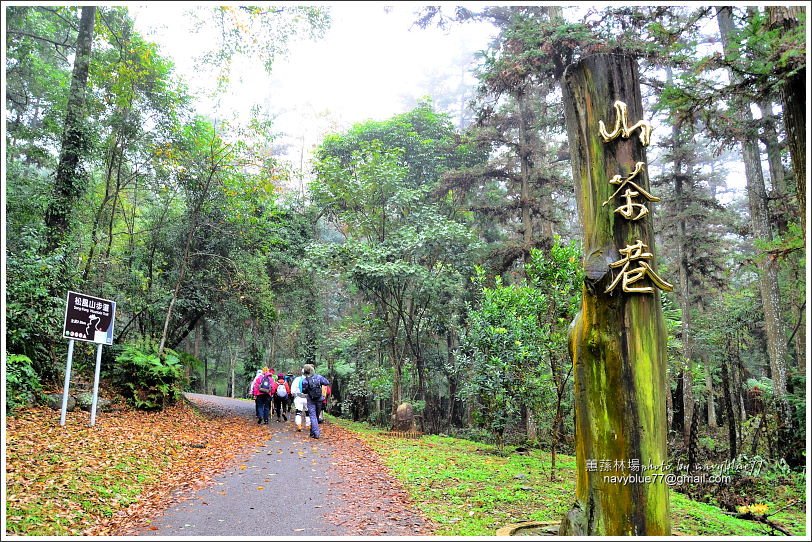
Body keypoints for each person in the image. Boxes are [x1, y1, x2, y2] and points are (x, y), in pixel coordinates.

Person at [301, 364, 330, 439]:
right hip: (319, 399)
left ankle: (315, 432)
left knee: (313, 416)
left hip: (311, 400)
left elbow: (304, 391)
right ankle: (313, 432)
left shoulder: (305, 380)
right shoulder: (318, 377)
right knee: (316, 416)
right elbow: (326, 382)